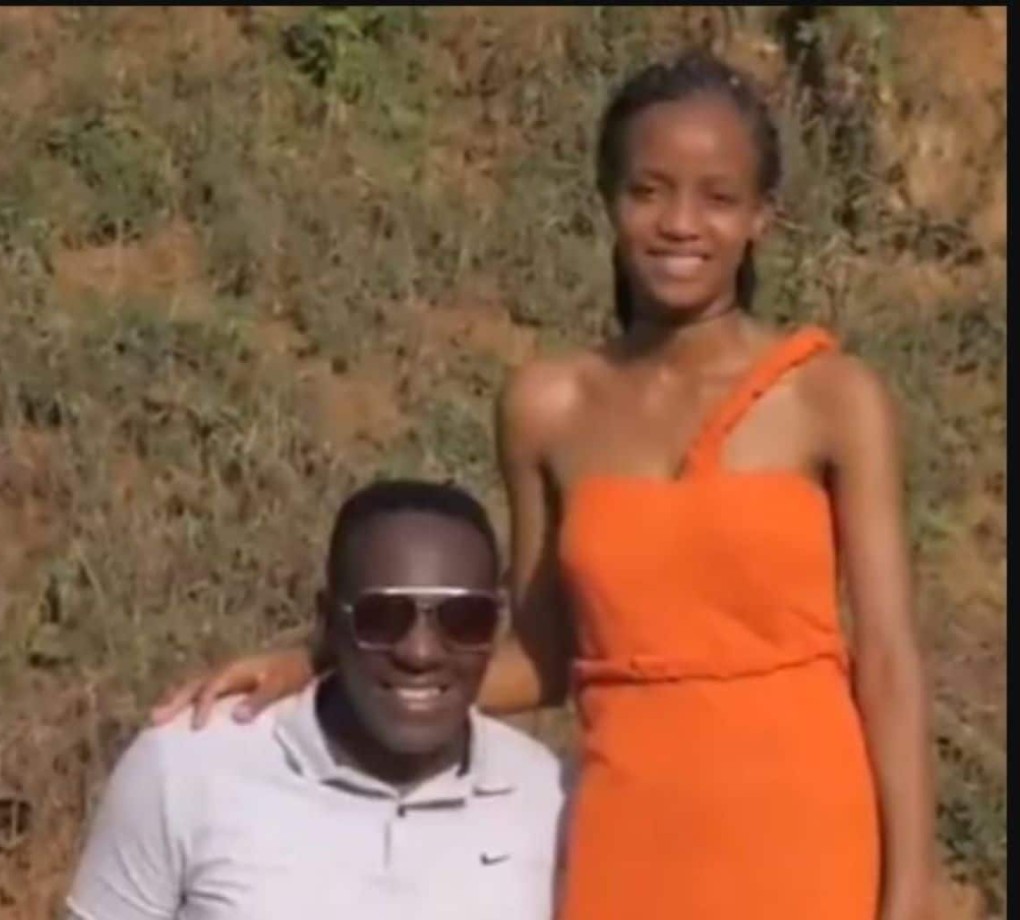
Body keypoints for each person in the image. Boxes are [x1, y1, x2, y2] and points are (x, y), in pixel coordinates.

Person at [152, 50, 936, 920]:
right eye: (649, 191)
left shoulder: (831, 397)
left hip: (809, 836)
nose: (681, 223)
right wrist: (316, 664)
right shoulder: (547, 408)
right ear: (608, 201)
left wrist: (908, 898)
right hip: (629, 836)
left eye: (718, 197)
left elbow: (889, 662)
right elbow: (540, 658)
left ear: (761, 218)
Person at [68, 480, 566, 920]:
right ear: (327, 621)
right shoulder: (186, 769)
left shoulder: (546, 797)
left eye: (464, 621)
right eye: (382, 618)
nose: (420, 652)